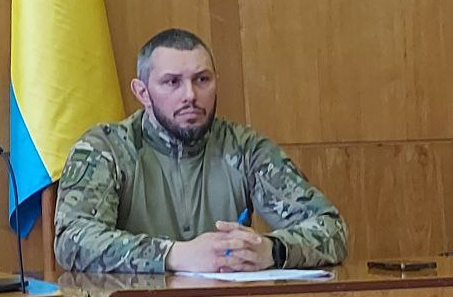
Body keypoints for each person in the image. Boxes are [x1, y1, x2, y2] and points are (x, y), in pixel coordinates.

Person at [54, 28, 347, 274]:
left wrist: (272, 250)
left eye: (202, 80)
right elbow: (72, 240)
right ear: (142, 92)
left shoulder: (245, 148)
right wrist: (174, 255)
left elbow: (332, 230)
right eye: (172, 82)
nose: (190, 95)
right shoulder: (106, 149)